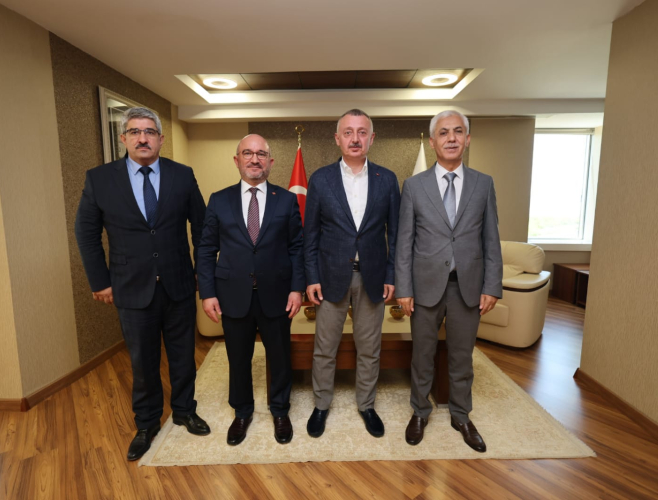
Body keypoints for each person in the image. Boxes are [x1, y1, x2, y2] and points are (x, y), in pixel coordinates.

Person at [75, 107, 210, 461]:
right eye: (134, 132)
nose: (142, 138)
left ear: (161, 139)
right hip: (130, 286)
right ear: (123, 138)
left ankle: (184, 410)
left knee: (183, 355)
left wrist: (201, 270)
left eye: (149, 132)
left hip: (179, 283)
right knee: (142, 361)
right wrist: (101, 281)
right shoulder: (100, 179)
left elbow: (202, 227)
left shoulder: (182, 175)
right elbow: (86, 233)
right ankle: (147, 423)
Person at [396, 110, 502, 451]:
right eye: (444, 133)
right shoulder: (414, 186)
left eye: (458, 131)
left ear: (467, 139)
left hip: (467, 287)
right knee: (422, 355)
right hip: (424, 287)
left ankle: (461, 414)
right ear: (433, 141)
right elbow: (404, 242)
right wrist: (404, 289)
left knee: (461, 357)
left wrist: (492, 285)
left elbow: (491, 239)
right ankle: (419, 412)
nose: (451, 138)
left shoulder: (484, 184)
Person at [198, 134, 304, 446]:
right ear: (237, 160)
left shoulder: (286, 200)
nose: (254, 159)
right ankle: (242, 411)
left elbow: (297, 248)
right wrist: (207, 293)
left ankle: (280, 410)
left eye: (261, 154)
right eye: (247, 153)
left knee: (280, 356)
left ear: (270, 161)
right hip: (233, 294)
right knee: (238, 357)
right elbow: (206, 249)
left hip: (277, 293)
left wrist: (297, 289)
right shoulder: (219, 200)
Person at [303, 109, 400, 438]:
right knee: (325, 347)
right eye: (348, 132)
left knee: (369, 347)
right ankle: (321, 405)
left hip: (373, 276)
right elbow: (310, 235)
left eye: (361, 132)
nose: (355, 138)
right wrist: (311, 277)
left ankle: (366, 405)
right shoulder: (321, 179)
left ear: (372, 138)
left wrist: (391, 275)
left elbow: (395, 235)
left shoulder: (387, 179)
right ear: (337, 139)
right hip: (330, 276)